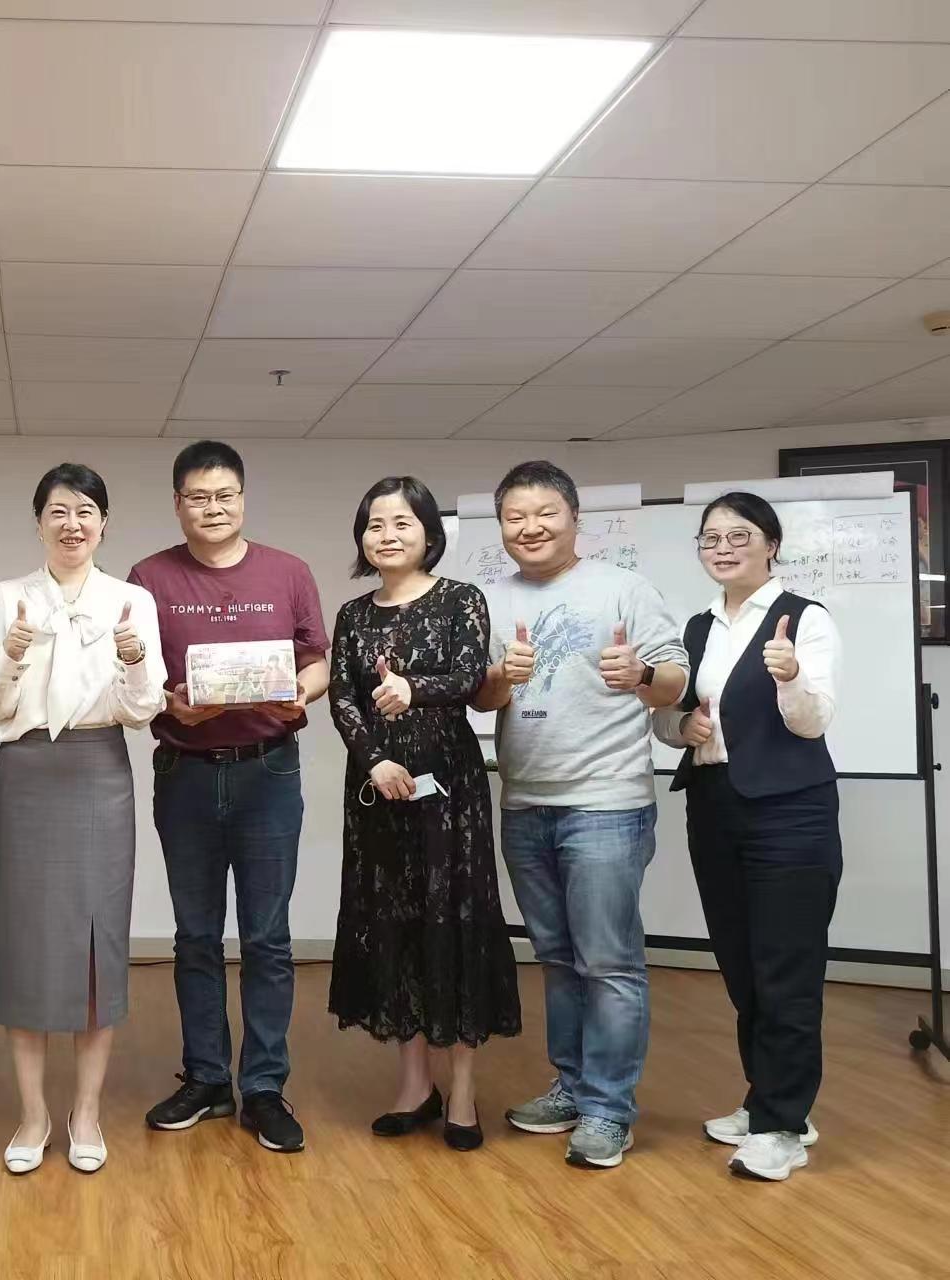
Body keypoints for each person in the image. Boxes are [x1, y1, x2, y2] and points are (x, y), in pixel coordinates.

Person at [470, 460, 689, 1169]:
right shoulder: (489, 599)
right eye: (515, 517)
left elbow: (674, 681)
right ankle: (571, 1086)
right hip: (524, 800)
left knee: (609, 962)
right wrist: (501, 677)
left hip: (605, 804)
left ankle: (608, 1110)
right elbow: (481, 699)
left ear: (573, 519)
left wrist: (642, 676)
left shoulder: (623, 588)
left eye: (545, 514)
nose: (530, 527)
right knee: (558, 959)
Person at [128, 440, 330, 1154]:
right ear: (177, 504)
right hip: (184, 771)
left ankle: (265, 1086)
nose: (213, 508)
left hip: (267, 773)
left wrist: (299, 691)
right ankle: (208, 1078)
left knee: (268, 936)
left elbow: (318, 658)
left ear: (242, 499)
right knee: (195, 934)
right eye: (198, 497)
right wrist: (170, 703)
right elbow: (135, 676)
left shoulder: (288, 571)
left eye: (225, 495)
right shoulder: (148, 578)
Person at [0, 464, 167, 1175]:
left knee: (96, 941)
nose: (72, 523)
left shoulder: (131, 601)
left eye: (85, 511)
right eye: (58, 511)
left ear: (104, 523)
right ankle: (32, 1115)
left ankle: (85, 1112)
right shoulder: (4, 598)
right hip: (26, 772)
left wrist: (135, 658)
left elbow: (144, 709)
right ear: (39, 523)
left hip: (98, 769)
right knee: (23, 939)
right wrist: (12, 652)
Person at [327, 477, 520, 1152]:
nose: (387, 535)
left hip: (450, 791)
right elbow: (343, 699)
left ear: (430, 534)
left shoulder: (461, 599)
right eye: (374, 524)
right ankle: (414, 1084)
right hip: (379, 792)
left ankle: (462, 1089)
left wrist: (413, 688)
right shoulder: (353, 615)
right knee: (393, 924)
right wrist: (375, 761)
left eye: (402, 523)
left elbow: (471, 677)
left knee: (453, 923)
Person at [654, 492, 841, 1183]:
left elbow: (814, 721)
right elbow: (670, 718)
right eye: (711, 538)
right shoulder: (698, 627)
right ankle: (767, 1098)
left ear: (771, 545)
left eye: (740, 535)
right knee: (741, 966)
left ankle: (782, 1127)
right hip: (715, 806)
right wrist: (683, 728)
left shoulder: (806, 618)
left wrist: (790, 678)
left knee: (786, 970)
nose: (724, 548)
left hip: (790, 811)